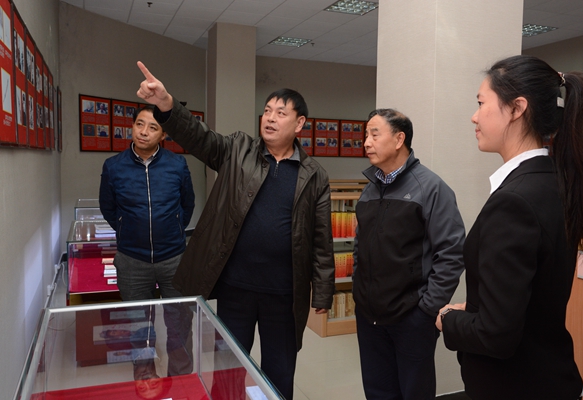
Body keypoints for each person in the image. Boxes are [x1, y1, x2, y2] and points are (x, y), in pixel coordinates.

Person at [135, 60, 335, 400]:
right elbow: (198, 137)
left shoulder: (314, 175)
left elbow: (321, 239)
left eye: (281, 113)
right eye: (267, 111)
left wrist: (324, 291)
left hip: (284, 294)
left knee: (279, 371)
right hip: (235, 288)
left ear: (300, 123)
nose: (270, 118)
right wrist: (166, 105)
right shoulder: (238, 150)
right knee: (228, 369)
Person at [436, 55, 583, 400]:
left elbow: (495, 335)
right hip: (551, 377)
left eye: (481, 103)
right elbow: (527, 301)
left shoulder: (515, 202)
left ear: (517, 108)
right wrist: (475, 311)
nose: (475, 116)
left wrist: (447, 318)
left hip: (517, 384)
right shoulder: (553, 183)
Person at [353, 108, 465, 400]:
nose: (366, 142)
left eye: (374, 134)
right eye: (366, 135)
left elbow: (452, 253)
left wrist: (426, 310)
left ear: (399, 139)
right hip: (369, 317)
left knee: (414, 392)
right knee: (378, 392)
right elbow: (359, 246)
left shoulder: (431, 188)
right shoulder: (369, 191)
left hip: (411, 319)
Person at [99, 105, 196, 379]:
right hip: (132, 260)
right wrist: (126, 229)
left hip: (173, 259)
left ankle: (181, 381)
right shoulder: (114, 166)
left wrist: (174, 228)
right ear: (132, 126)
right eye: (139, 124)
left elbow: (187, 204)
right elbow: (108, 208)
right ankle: (145, 382)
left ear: (163, 135)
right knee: (138, 326)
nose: (144, 132)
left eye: (153, 127)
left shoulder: (177, 164)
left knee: (179, 324)